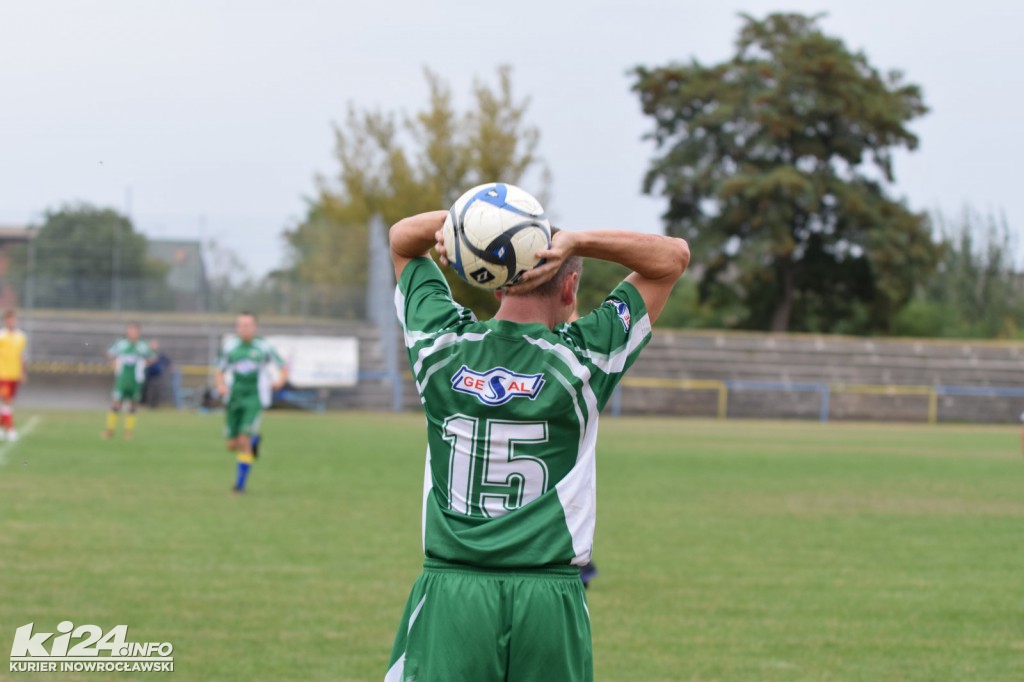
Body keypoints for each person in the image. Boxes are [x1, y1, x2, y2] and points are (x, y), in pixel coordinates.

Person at [384, 210, 689, 681]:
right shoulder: (585, 359)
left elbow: (403, 241)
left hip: (453, 592)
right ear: (569, 289)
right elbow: (672, 258)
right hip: (548, 598)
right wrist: (575, 241)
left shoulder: (438, 348)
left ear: (497, 283)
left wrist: (466, 226)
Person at [214, 312, 287, 494]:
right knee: (232, 444)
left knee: (243, 439)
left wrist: (280, 381)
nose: (244, 328)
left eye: (247, 325)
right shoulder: (230, 347)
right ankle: (254, 441)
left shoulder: (264, 347)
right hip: (234, 397)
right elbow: (219, 370)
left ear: (254, 327)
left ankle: (240, 486)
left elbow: (282, 366)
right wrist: (221, 385)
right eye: (240, 325)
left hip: (254, 398)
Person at [103, 322, 154, 440]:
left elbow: (151, 358)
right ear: (127, 331)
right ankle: (110, 430)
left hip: (135, 380)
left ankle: (128, 432)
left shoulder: (142, 346)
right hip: (122, 378)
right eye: (130, 330)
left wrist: (144, 364)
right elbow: (110, 354)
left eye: (135, 330)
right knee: (116, 403)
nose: (133, 333)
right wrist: (114, 363)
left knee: (133, 404)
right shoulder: (120, 344)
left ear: (138, 332)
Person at [0, 309, 28, 441]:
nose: (11, 322)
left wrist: (22, 372)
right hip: (3, 374)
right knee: (7, 401)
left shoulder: (21, 337)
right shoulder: (1, 336)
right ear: (5, 321)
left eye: (13, 319)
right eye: (9, 319)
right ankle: (11, 430)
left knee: (7, 403)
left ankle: (1, 428)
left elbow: (21, 355)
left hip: (14, 374)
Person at [142, 339, 172, 408]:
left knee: (158, 391)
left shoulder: (160, 354)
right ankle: (149, 405)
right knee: (150, 391)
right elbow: (145, 363)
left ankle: (156, 405)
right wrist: (150, 361)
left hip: (159, 375)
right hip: (150, 375)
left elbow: (168, 361)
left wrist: (170, 367)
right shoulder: (148, 353)